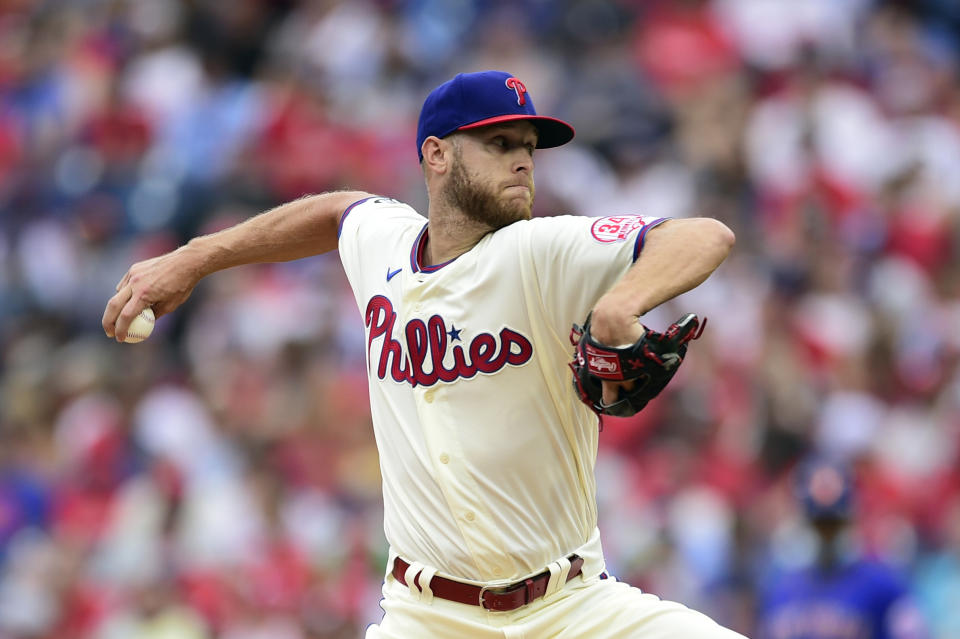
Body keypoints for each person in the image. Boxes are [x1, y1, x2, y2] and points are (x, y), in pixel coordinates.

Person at [103, 70, 744, 638]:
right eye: (500, 144)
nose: (523, 162)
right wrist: (192, 258)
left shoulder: (545, 250)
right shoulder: (385, 243)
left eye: (528, 148)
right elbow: (334, 212)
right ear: (435, 155)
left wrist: (617, 305)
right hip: (426, 617)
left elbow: (701, 236)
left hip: (572, 610)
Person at [756, 456, 928, 639]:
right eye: (819, 522)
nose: (826, 533)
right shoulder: (781, 588)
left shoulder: (884, 585)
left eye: (833, 522)